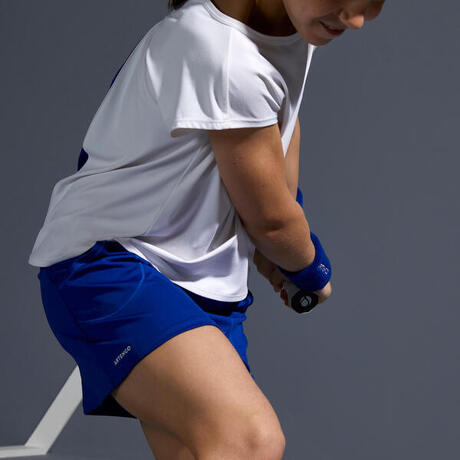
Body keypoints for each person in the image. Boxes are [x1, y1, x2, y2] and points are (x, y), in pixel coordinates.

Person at [28, 0, 386, 458]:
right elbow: (271, 220)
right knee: (250, 442)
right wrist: (311, 268)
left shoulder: (289, 26)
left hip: (201, 286)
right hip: (110, 264)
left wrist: (279, 245)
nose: (355, 20)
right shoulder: (222, 49)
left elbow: (282, 122)